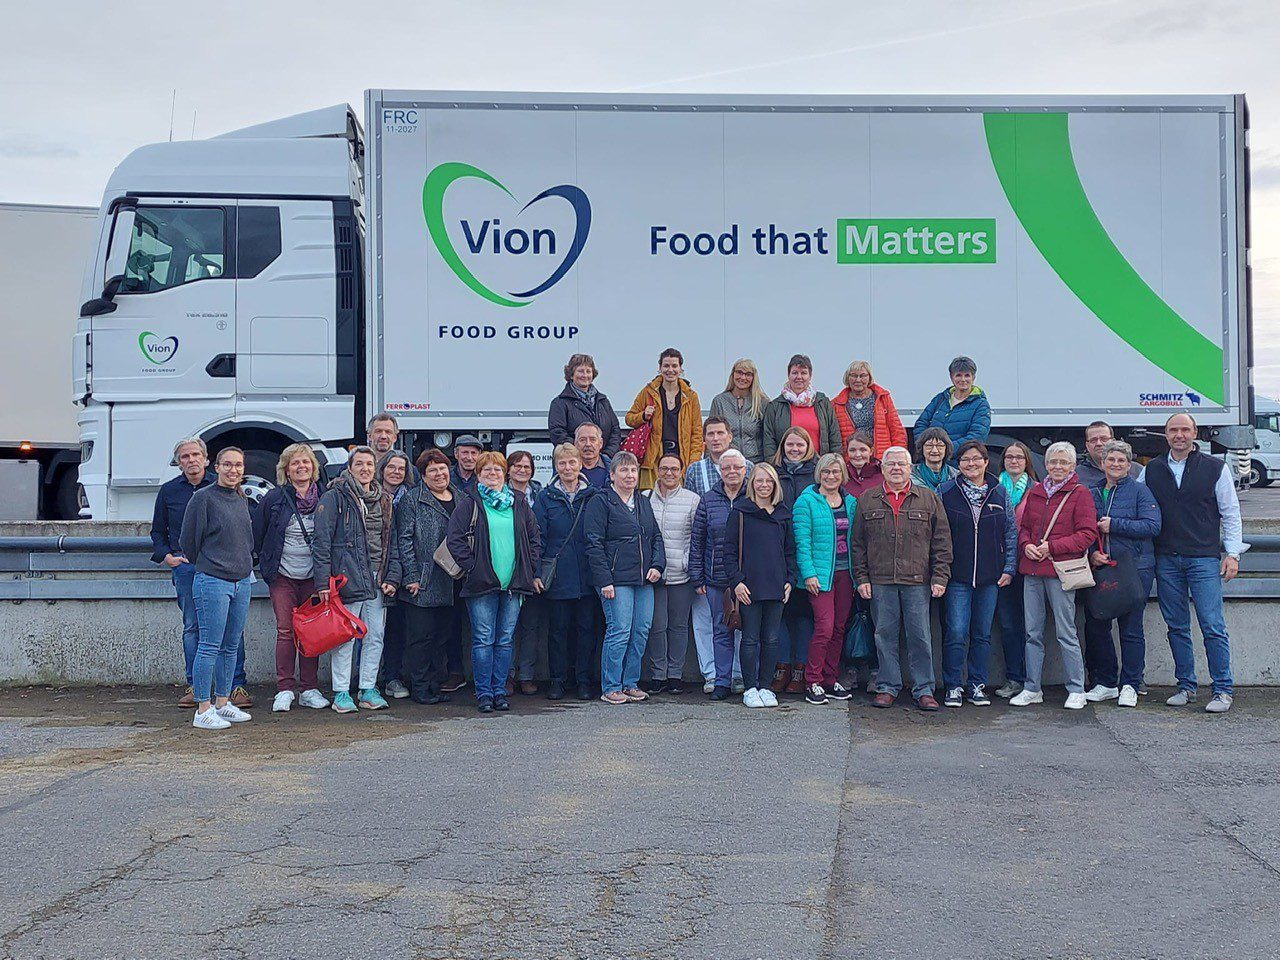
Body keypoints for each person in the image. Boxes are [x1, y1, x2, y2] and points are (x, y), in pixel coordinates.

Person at [1146, 413, 1247, 714]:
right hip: (1167, 558)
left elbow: (1231, 513)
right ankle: (1186, 686)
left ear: (1195, 433)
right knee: (1176, 626)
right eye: (1173, 430)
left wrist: (1233, 553)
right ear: (1165, 435)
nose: (1179, 435)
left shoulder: (1215, 468)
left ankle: (1222, 689)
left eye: (1185, 429)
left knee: (1212, 625)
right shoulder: (1152, 469)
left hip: (1203, 558)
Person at [150, 438, 250, 710]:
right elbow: (161, 531)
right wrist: (172, 557)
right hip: (193, 568)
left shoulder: (233, 492)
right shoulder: (172, 492)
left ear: (206, 460)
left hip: (229, 572)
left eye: (196, 455)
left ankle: (232, 688)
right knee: (196, 629)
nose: (191, 460)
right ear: (179, 462)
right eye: (185, 456)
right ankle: (197, 687)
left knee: (231, 633)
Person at [853, 446, 952, 712]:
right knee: (884, 635)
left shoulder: (929, 499)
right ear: (882, 469)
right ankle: (887, 686)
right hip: (880, 580)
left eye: (902, 464)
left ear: (911, 468)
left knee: (920, 636)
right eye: (891, 464)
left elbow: (942, 543)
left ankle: (924, 689)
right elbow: (858, 544)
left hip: (918, 580)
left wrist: (940, 576)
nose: (896, 468)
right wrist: (861, 577)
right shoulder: (867, 499)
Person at [445, 451, 542, 713]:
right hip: (481, 584)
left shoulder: (519, 502)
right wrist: (473, 568)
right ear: (478, 475)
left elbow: (534, 539)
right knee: (483, 639)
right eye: (486, 471)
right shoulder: (470, 503)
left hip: (513, 584)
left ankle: (500, 691)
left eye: (497, 470)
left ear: (505, 474)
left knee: (505, 640)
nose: (493, 475)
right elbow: (454, 539)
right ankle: (484, 693)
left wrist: (529, 567)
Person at [1010, 441, 1097, 710]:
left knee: (1066, 632)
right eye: (1053, 462)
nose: (1057, 467)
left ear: (1072, 466)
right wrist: (1026, 546)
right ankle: (1032, 687)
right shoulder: (1036, 492)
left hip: (1060, 572)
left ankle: (1076, 688)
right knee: (1032, 632)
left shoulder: (1080, 493)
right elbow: (1023, 528)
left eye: (1063, 463)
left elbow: (1087, 534)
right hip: (1033, 570)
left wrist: (1052, 548)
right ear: (1045, 465)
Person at [312, 446, 396, 714]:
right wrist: (323, 582)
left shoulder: (384, 498)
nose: (365, 469)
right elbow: (321, 542)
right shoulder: (335, 497)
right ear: (349, 468)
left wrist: (391, 575)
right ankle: (341, 692)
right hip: (347, 578)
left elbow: (390, 541)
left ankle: (368, 689)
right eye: (359, 464)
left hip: (376, 577)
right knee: (344, 636)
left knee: (376, 635)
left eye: (370, 464)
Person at [937, 441, 1017, 708]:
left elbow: (1010, 532)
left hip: (990, 577)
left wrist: (1009, 568)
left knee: (982, 634)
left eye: (976, 459)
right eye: (965, 460)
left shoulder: (999, 491)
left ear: (986, 462)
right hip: (957, 576)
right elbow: (937, 534)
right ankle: (953, 686)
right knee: (956, 632)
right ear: (958, 465)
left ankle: (976, 685)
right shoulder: (946, 491)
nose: (971, 464)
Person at [1083, 440, 1162, 707]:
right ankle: (1105, 682)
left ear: (1129, 465)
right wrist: (1092, 552)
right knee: (1097, 625)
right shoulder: (1092, 492)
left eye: (1121, 461)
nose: (1116, 464)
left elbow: (1152, 526)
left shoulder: (1140, 492)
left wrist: (1115, 524)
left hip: (1134, 568)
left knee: (1130, 627)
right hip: (1102, 568)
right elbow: (1084, 529)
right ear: (1102, 462)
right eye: (1111, 460)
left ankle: (1130, 683)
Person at [180, 447, 255, 731]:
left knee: (230, 645)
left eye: (238, 465)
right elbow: (189, 541)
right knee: (209, 644)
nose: (233, 470)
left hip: (242, 581)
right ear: (217, 466)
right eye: (227, 465)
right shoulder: (203, 499)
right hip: (213, 580)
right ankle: (202, 707)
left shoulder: (241, 499)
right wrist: (212, 564)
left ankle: (223, 703)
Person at [582, 451, 665, 705]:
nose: (629, 475)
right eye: (624, 471)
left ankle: (630, 683)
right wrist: (604, 580)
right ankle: (611, 686)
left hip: (643, 580)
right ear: (612, 475)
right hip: (615, 580)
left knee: (640, 631)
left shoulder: (642, 501)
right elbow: (593, 543)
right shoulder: (601, 501)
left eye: (633, 471)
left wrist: (658, 565)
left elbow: (655, 538)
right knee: (619, 631)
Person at [252, 443, 330, 713]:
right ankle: (285, 689)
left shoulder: (325, 497)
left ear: (313, 467)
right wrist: (265, 566)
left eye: (306, 462)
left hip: (314, 577)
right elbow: (258, 533)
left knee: (311, 633)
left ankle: (309, 688)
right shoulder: (274, 498)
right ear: (286, 469)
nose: (301, 467)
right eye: (295, 463)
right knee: (286, 631)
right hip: (283, 575)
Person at [385, 450, 461, 704]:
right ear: (423, 476)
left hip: (453, 580)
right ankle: (419, 687)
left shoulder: (460, 497)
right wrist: (412, 576)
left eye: (443, 468)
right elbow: (403, 540)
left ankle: (434, 685)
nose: (440, 474)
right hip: (423, 581)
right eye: (433, 471)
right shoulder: (412, 501)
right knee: (421, 638)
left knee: (442, 637)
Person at [721, 462, 796, 708]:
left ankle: (766, 686)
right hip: (748, 588)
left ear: (775, 485)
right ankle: (750, 687)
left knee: (772, 639)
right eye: (759, 481)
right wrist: (737, 582)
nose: (764, 486)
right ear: (751, 484)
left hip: (776, 587)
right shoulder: (741, 512)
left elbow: (790, 553)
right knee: (750, 639)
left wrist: (789, 581)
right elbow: (729, 552)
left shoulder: (783, 514)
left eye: (769, 481)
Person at [534, 443, 601, 701]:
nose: (567, 468)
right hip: (558, 575)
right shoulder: (546, 497)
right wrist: (537, 572)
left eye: (572, 463)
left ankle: (583, 680)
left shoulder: (594, 495)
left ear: (580, 464)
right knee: (558, 632)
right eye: (562, 463)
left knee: (586, 631)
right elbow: (537, 536)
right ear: (555, 466)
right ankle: (558, 680)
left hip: (587, 573)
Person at [792, 454, 858, 705]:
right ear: (819, 474)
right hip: (820, 576)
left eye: (836, 472)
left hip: (845, 573)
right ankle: (814, 680)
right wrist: (808, 573)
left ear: (843, 475)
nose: (831, 477)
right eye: (827, 472)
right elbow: (802, 541)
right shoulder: (806, 502)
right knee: (824, 628)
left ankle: (831, 678)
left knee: (840, 628)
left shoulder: (851, 502)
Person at [690, 449, 750, 699]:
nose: (732, 472)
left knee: (749, 632)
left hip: (749, 578)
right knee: (721, 629)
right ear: (720, 471)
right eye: (727, 468)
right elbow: (698, 540)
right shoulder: (708, 499)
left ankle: (745, 678)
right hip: (716, 578)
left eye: (737, 467)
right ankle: (723, 681)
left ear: (746, 470)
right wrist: (697, 575)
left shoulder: (755, 496)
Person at [644, 454, 700, 695]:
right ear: (657, 470)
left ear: (682, 472)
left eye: (674, 469)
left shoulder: (692, 500)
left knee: (678, 626)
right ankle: (658, 674)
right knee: (657, 626)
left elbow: (697, 537)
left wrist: (688, 562)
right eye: (665, 468)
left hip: (681, 574)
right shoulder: (645, 499)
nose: (669, 473)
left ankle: (675, 675)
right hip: (654, 575)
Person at [770, 426, 817, 694]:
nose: (795, 449)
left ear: (808, 446)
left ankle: (801, 666)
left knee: (805, 615)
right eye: (790, 445)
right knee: (781, 613)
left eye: (800, 445)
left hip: (809, 551)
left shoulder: (816, 473)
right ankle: (783, 665)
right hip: (779, 550)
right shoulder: (774, 472)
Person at [994, 441, 1038, 699]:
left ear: (1027, 461)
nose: (1013, 461)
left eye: (1019, 457)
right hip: (997, 565)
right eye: (1009, 457)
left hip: (1027, 563)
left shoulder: (1036, 490)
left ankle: (1031, 680)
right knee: (1008, 624)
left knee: (1030, 624)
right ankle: (1014, 677)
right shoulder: (992, 488)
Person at [626, 347, 704, 489]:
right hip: (654, 459)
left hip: (681, 459)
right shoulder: (648, 392)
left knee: (678, 504)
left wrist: (693, 461)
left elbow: (697, 432)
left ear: (681, 369)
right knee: (650, 501)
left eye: (674, 366)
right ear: (660, 368)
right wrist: (643, 415)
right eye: (666, 365)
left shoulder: (691, 396)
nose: (670, 370)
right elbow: (629, 418)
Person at [376, 450, 415, 699]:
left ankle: (392, 677)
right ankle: (364, 680)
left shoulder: (410, 498)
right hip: (375, 572)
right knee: (368, 631)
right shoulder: (369, 496)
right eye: (392, 467)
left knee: (395, 630)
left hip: (400, 573)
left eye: (401, 468)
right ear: (382, 469)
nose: (396, 472)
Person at [507, 449, 546, 695]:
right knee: (507, 628)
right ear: (508, 469)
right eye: (517, 466)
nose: (522, 470)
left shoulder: (540, 494)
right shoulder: (498, 495)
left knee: (531, 626)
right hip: (507, 570)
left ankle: (527, 675)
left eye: (527, 467)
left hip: (533, 569)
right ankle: (507, 675)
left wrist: (537, 571)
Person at [762, 354, 841, 460]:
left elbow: (834, 438)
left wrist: (834, 463)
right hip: (786, 471)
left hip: (820, 469)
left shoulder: (823, 403)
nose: (799, 377)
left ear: (810, 376)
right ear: (788, 375)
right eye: (794, 373)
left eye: (803, 373)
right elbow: (769, 443)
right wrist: (774, 468)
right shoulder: (775, 407)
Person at [548, 353, 622, 457]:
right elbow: (557, 433)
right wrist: (584, 453)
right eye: (580, 371)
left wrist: (607, 455)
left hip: (603, 463)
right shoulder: (559, 403)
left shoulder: (603, 401)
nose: (585, 375)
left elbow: (615, 430)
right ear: (571, 374)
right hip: (572, 463)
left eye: (588, 371)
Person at [831, 360, 907, 460]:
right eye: (853, 375)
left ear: (869, 378)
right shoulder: (836, 404)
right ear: (847, 378)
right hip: (852, 460)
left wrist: (899, 455)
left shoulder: (882, 398)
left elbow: (896, 429)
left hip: (880, 458)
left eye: (863, 376)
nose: (858, 380)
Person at [914, 356, 991, 447]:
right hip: (933, 457)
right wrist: (926, 446)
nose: (963, 379)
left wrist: (946, 450)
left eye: (967, 375)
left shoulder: (981, 405)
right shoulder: (941, 398)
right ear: (951, 377)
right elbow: (921, 424)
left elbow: (977, 436)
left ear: (973, 378)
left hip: (959, 459)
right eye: (958, 375)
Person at [710, 359, 767, 462]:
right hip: (727, 462)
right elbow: (711, 433)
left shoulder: (762, 403)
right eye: (739, 372)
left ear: (754, 377)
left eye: (748, 374)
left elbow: (768, 437)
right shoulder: (720, 401)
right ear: (733, 374)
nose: (743, 377)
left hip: (756, 462)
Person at [685, 417, 752, 497]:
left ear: (730, 437)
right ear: (704, 439)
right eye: (711, 434)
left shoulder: (747, 467)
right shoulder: (695, 470)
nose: (715, 438)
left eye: (720, 433)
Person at [1076, 421, 1142, 488]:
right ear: (1087, 445)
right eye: (1093, 440)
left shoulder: (1138, 471)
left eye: (1104, 439)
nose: (1099, 443)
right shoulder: (1077, 474)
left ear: (1113, 441)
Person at [912, 427, 958, 491]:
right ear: (921, 448)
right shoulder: (911, 474)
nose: (934, 450)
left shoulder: (956, 476)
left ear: (946, 448)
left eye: (940, 446)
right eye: (929, 445)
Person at [842, 430, 883, 498]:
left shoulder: (883, 473)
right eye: (852, 450)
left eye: (863, 450)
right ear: (847, 452)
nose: (858, 455)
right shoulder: (841, 474)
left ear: (871, 451)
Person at [574, 422, 612, 489]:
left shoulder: (613, 470)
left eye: (592, 439)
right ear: (575, 444)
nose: (588, 444)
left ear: (600, 443)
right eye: (582, 440)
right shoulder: (566, 470)